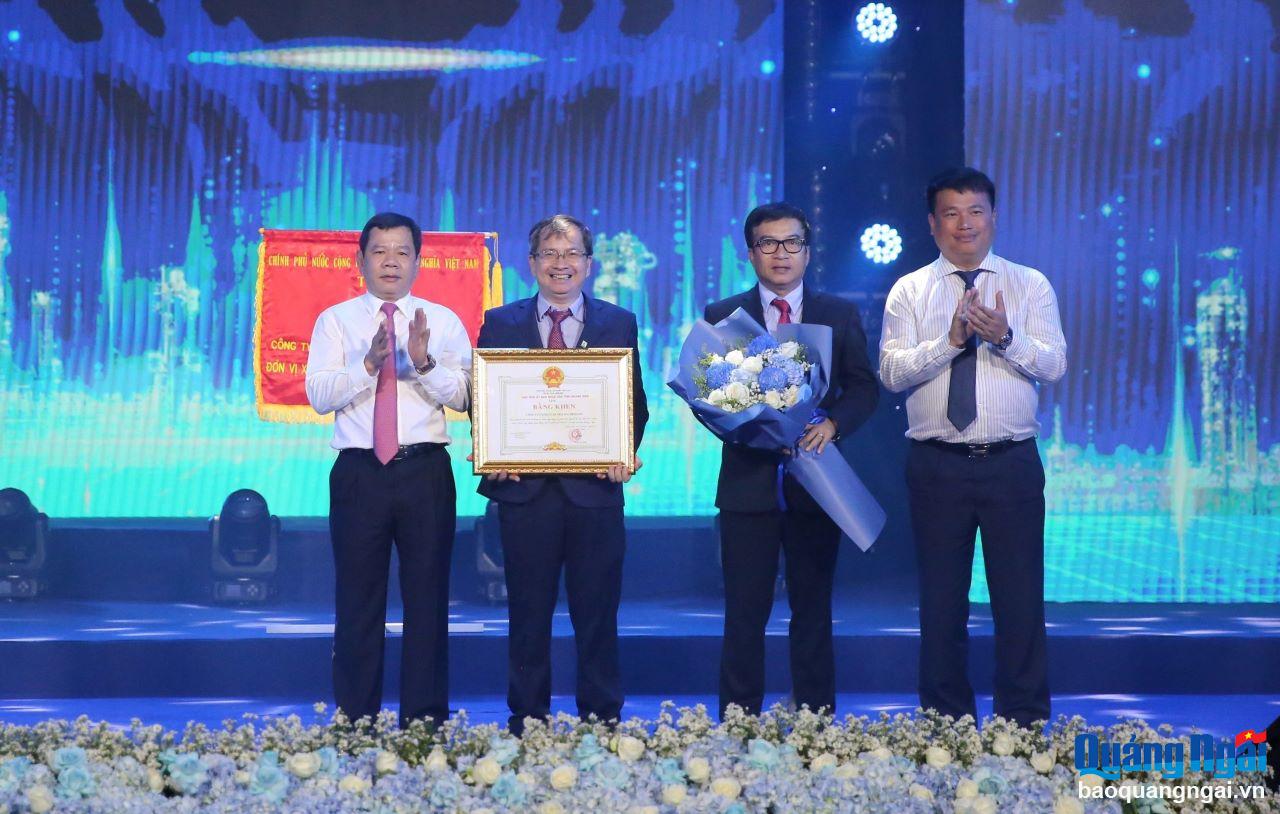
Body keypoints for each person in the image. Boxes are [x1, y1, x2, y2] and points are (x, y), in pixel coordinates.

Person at [879, 167, 1067, 728]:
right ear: (933, 224)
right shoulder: (910, 289)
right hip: (937, 465)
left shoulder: (1029, 285)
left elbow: (1054, 365)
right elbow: (890, 372)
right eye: (952, 213)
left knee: (1020, 601)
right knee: (941, 604)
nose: (966, 224)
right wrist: (951, 341)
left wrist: (1004, 338)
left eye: (976, 211)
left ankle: (1025, 723)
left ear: (994, 217)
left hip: (1010, 462)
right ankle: (945, 725)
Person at [704, 201, 879, 718]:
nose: (780, 254)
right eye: (768, 244)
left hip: (817, 484)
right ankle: (738, 725)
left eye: (791, 243)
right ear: (751, 251)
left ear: (807, 250)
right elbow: (707, 396)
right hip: (747, 485)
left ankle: (815, 724)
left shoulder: (837, 313)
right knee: (743, 615)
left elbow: (864, 388)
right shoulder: (724, 315)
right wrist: (747, 427)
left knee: (813, 612)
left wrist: (833, 424)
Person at [476, 214, 649, 735]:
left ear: (588, 265)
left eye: (570, 253)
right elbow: (486, 400)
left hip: (595, 494)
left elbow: (633, 404)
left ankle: (602, 721)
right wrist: (494, 453)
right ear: (531, 265)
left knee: (597, 615)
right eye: (549, 254)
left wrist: (623, 450)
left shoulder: (618, 322)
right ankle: (527, 721)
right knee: (527, 615)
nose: (560, 264)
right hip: (525, 495)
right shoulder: (500, 321)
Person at [305, 212, 472, 727]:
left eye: (402, 251)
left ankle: (424, 723)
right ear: (361, 260)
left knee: (428, 601)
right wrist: (369, 366)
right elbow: (317, 396)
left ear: (419, 261)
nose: (391, 261)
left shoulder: (441, 321)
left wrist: (423, 364)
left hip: (424, 472)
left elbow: (468, 397)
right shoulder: (336, 320)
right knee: (357, 603)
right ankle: (357, 720)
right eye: (380, 251)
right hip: (359, 474)